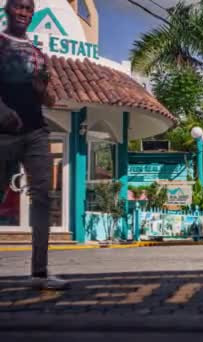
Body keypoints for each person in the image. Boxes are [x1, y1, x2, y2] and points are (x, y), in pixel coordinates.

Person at [0, 0, 69, 290]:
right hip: (3, 134)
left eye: (29, 9)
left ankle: (39, 274)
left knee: (42, 200)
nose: (24, 13)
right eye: (19, 7)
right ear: (8, 10)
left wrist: (43, 91)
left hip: (37, 133)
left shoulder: (38, 54)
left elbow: (51, 100)